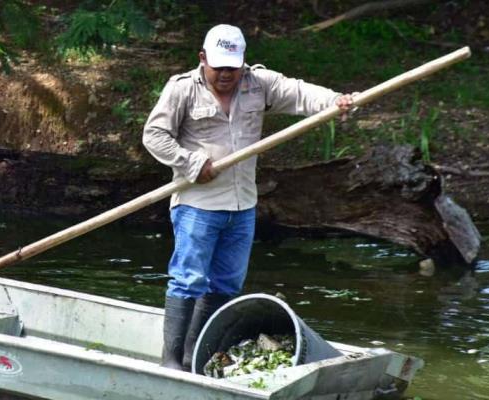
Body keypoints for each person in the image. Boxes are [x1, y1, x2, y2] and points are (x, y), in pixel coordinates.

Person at [142, 24, 355, 371]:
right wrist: (192, 163)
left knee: (226, 282)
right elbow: (154, 135)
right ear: (203, 59)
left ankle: (193, 355)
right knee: (188, 279)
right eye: (219, 66)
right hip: (198, 204)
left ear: (243, 62)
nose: (226, 74)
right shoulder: (182, 89)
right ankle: (171, 360)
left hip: (242, 205)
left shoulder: (258, 83)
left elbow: (298, 92)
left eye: (233, 66)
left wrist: (334, 101)